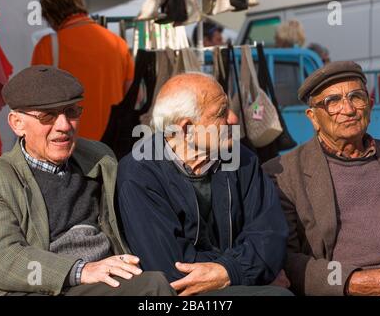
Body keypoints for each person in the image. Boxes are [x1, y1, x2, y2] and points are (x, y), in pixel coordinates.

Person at [0, 66, 175, 296]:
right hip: (29, 288)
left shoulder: (99, 158)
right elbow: (2, 259)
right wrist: (79, 270)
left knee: (165, 282)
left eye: (71, 112)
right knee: (153, 287)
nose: (63, 126)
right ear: (17, 123)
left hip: (101, 282)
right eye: (48, 116)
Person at [116, 72, 291, 296]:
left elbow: (270, 235)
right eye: (221, 113)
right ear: (186, 129)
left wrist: (232, 270)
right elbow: (171, 265)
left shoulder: (243, 159)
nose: (234, 118)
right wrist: (241, 270)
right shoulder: (139, 174)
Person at [263, 61, 380, 296]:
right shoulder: (283, 174)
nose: (349, 109)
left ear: (370, 106)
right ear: (313, 117)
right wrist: (350, 282)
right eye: (333, 102)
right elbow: (285, 259)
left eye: (356, 97)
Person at [32, 0, 135, 141]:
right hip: (112, 142)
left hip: (68, 141)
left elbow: (36, 99)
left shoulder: (48, 45)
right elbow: (133, 95)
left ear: (50, 14)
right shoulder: (118, 43)